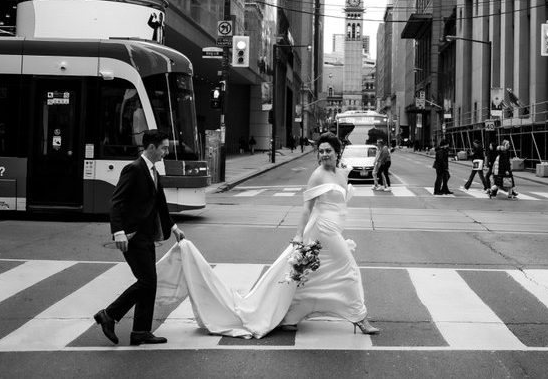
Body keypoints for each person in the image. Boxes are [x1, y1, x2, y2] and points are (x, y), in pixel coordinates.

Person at [154, 132, 380, 338]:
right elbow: (306, 209)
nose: (323, 155)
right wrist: (299, 236)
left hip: (334, 229)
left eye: (328, 150)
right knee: (349, 270)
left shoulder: (341, 174)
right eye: (320, 151)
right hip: (323, 230)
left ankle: (290, 316)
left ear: (336, 150)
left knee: (313, 275)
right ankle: (360, 317)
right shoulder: (317, 176)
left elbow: (339, 204)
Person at [94, 130, 186, 346]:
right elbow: (116, 202)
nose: (166, 152)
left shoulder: (154, 172)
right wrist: (118, 232)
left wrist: (173, 228)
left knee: (149, 283)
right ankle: (108, 314)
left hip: (146, 236)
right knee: (147, 282)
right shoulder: (134, 169)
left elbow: (159, 205)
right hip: (132, 236)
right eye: (163, 147)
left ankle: (140, 331)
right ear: (151, 147)